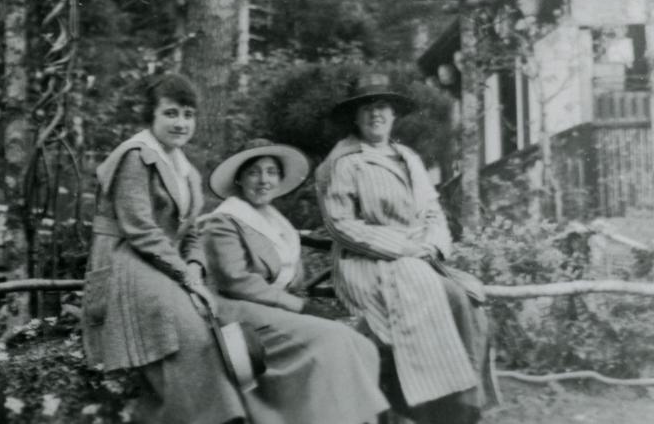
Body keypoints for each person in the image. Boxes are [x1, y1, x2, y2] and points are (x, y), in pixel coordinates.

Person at [315, 83, 497, 424]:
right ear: (355, 116)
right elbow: (341, 225)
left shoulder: (408, 157)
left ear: (394, 114)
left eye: (383, 106)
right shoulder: (345, 162)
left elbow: (432, 211)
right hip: (367, 261)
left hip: (417, 257)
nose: (376, 114)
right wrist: (405, 249)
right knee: (443, 296)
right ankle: (434, 408)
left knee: (469, 295)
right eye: (367, 107)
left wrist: (432, 245)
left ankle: (464, 402)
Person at [81, 73, 245, 424]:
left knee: (219, 320)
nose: (181, 123)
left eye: (188, 114)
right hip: (127, 260)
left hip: (164, 263)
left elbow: (191, 232)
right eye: (170, 113)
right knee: (187, 327)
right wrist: (187, 278)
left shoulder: (185, 168)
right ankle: (197, 415)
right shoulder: (137, 156)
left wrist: (197, 269)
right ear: (151, 116)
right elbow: (140, 230)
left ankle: (223, 413)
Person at [201, 138, 389, 424]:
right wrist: (300, 307)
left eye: (271, 172)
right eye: (254, 172)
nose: (264, 180)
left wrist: (301, 306)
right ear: (239, 178)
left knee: (360, 345)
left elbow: (291, 277)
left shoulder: (276, 221)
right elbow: (234, 281)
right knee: (331, 341)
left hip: (275, 311)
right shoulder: (225, 220)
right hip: (238, 313)